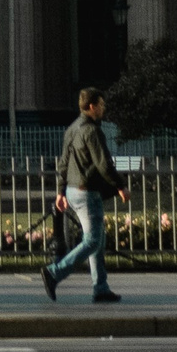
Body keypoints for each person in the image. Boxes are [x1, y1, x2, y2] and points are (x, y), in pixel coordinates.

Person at [41, 88, 124, 305]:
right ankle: (54, 272)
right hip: (87, 192)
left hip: (72, 191)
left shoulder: (72, 129)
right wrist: (120, 186)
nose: (104, 109)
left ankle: (101, 287)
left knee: (97, 239)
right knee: (93, 240)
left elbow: (63, 163)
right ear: (92, 106)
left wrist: (60, 191)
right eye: (102, 104)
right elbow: (104, 163)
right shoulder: (92, 131)